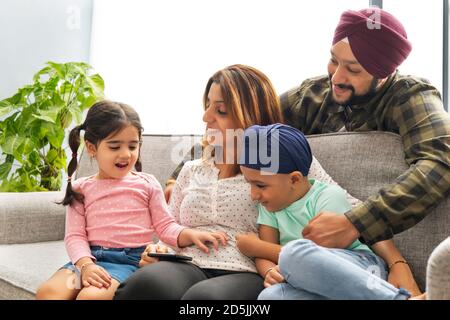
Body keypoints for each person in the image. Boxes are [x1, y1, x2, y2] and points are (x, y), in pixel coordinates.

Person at [166, 7, 450, 255]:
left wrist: (356, 223)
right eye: (333, 60)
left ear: (384, 73)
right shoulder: (311, 96)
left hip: (357, 242)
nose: (336, 77)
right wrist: (178, 175)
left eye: (352, 69)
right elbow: (243, 124)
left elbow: (440, 162)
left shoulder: (410, 97)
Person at [114, 64, 354, 300]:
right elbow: (169, 227)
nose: (206, 116)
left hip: (248, 268)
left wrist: (391, 259)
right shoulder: (191, 168)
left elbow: (349, 208)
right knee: (145, 285)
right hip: (188, 262)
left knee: (204, 299)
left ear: (250, 116)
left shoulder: (283, 161)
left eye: (221, 111)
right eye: (208, 105)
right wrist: (158, 250)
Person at [35, 101, 227, 300]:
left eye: (132, 146)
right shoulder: (80, 189)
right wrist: (86, 265)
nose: (125, 154)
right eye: (115, 146)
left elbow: (166, 226)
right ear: (92, 148)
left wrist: (191, 234)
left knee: (91, 297)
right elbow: (75, 236)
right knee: (48, 293)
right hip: (86, 260)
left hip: (128, 262)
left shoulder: (147, 184)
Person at [236, 123, 421, 299]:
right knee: (269, 296)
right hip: (318, 283)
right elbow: (267, 256)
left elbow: (321, 258)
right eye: (249, 184)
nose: (253, 195)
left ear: (294, 179)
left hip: (359, 267)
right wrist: (269, 270)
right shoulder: (269, 206)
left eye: (260, 185)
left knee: (294, 254)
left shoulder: (327, 196)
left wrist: (256, 247)